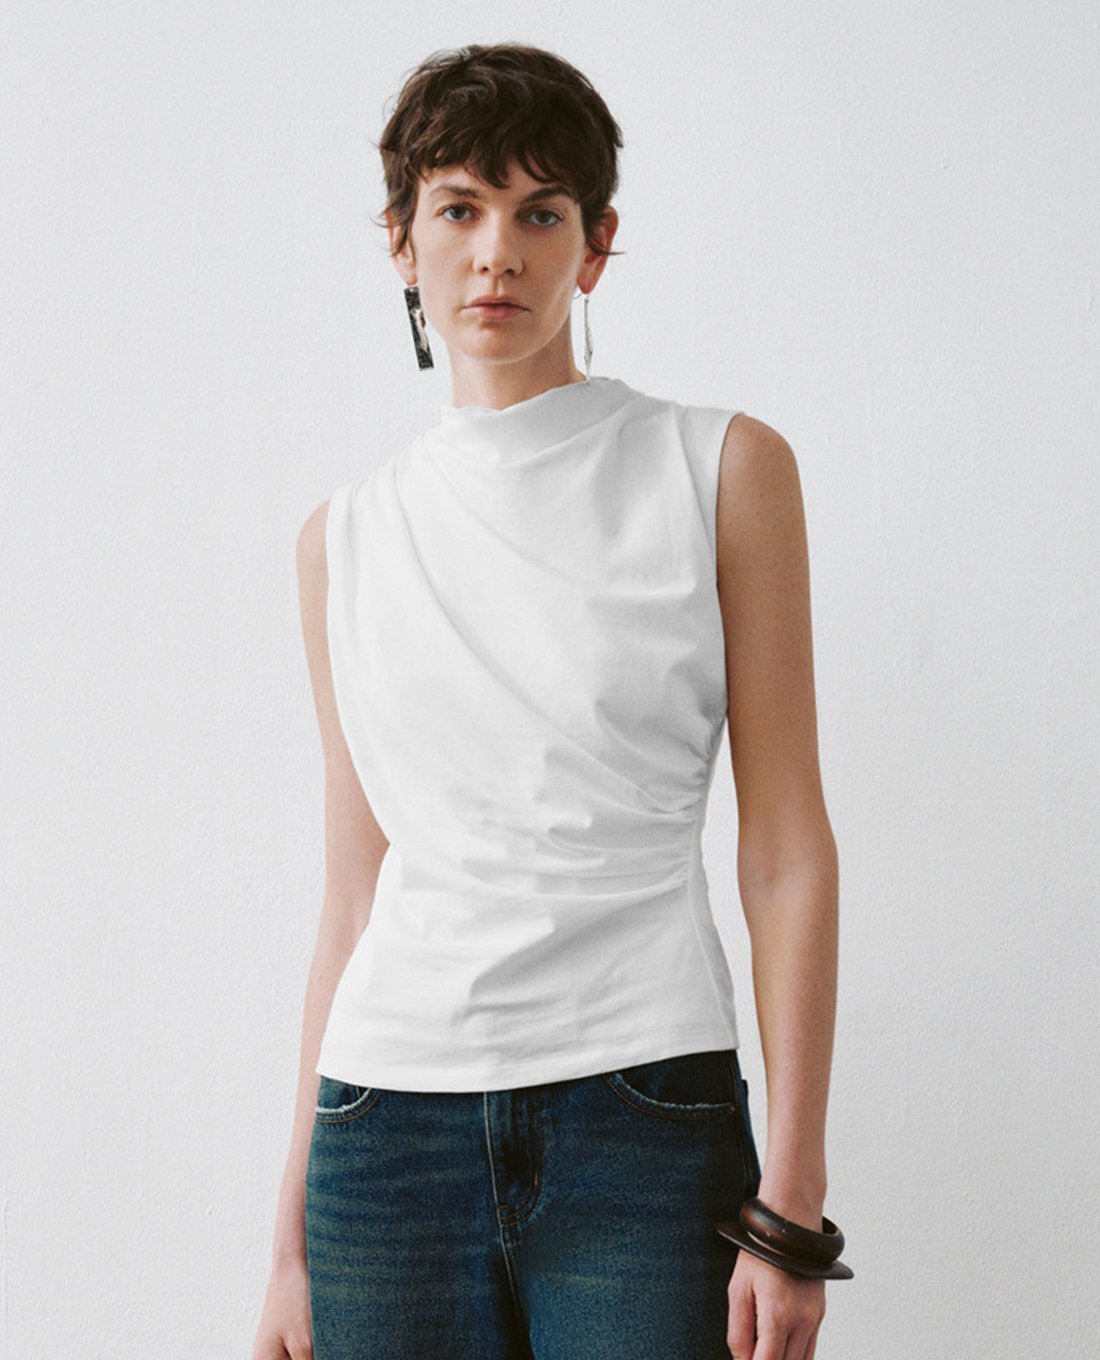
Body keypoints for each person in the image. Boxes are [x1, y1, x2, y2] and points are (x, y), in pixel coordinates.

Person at [251, 41, 848, 1360]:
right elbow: (353, 894)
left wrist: (792, 1203)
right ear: (401, 242)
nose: (495, 254)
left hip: (642, 1113)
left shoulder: (719, 469)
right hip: (383, 1137)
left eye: (539, 213)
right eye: (458, 208)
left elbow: (786, 849)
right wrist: (288, 1240)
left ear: (597, 244)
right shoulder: (343, 540)